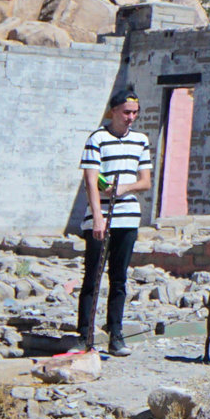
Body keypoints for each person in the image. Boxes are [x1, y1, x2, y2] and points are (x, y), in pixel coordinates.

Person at [77, 86, 153, 356]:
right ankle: (84, 333)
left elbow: (145, 181)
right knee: (93, 277)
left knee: (119, 278)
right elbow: (90, 180)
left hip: (127, 217)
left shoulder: (140, 140)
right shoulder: (96, 138)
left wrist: (123, 188)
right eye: (126, 112)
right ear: (114, 111)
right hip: (101, 218)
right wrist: (97, 217)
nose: (130, 117)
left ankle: (116, 333)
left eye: (134, 113)